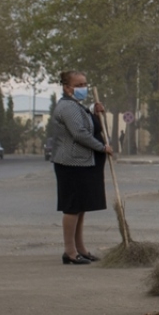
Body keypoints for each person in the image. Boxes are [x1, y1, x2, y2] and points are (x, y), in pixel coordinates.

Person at [51, 71, 113, 265]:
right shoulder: (67, 108)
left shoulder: (77, 106)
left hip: (84, 163)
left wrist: (95, 112)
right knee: (72, 207)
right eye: (78, 85)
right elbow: (80, 134)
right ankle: (69, 251)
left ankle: (81, 248)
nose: (83, 88)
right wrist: (102, 147)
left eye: (85, 84)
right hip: (71, 164)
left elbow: (91, 126)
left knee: (81, 208)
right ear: (67, 87)